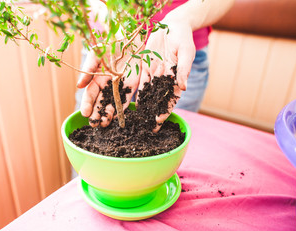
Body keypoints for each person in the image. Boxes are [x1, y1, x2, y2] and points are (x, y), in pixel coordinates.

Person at [75, 0, 235, 132]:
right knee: (92, 130)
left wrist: (182, 18)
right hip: (109, 51)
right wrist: (107, 18)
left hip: (173, 56)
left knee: (167, 141)